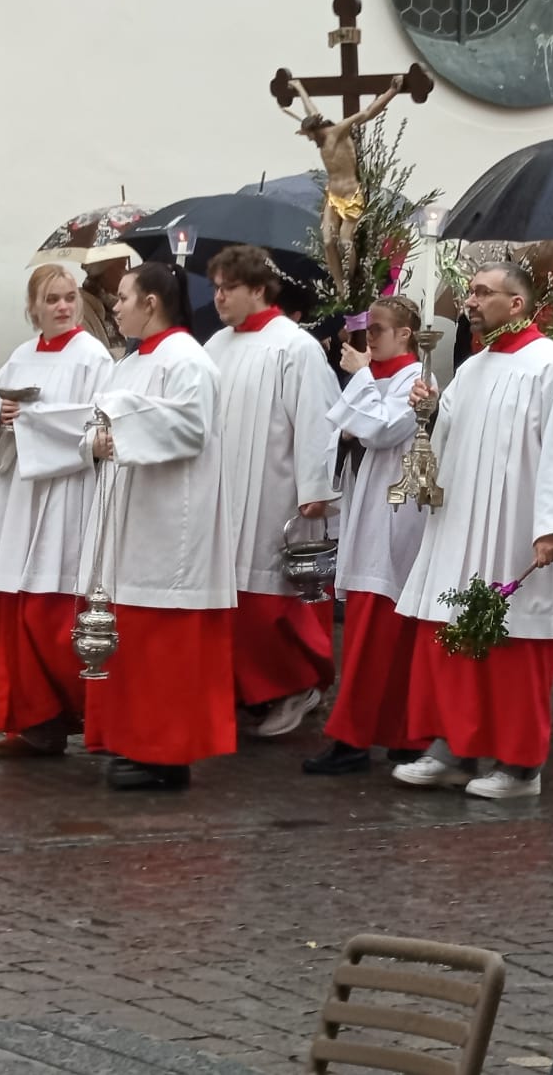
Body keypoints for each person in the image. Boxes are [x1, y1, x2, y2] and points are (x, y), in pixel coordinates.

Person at [20, 257, 236, 790]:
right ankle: (132, 742)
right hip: (130, 520)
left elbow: (191, 429)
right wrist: (94, 436)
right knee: (133, 641)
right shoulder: (132, 361)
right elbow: (100, 421)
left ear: (151, 303)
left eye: (122, 297)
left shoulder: (189, 360)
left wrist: (123, 423)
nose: (114, 307)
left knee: (165, 645)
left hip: (171, 526)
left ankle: (166, 757)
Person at [392, 263, 553, 799]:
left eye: (483, 293)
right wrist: (431, 414)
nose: (471, 301)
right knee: (451, 630)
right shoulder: (473, 368)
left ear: (517, 303)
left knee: (514, 643)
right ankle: (454, 749)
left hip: (517, 527)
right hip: (462, 525)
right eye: (471, 293)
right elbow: (451, 440)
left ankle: (521, 766)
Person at [0, 264, 113, 757]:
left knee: (53, 609)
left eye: (70, 297)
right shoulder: (21, 356)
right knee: (17, 603)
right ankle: (36, 719)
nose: (63, 306)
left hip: (68, 492)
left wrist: (32, 424)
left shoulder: (92, 357)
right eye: (52, 299)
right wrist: (4, 416)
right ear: (33, 307)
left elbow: (99, 423)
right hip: (20, 495)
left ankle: (82, 713)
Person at [203, 245, 340, 738]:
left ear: (259, 289)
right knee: (229, 601)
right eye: (216, 288)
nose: (219, 297)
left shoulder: (295, 347)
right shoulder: (214, 346)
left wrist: (316, 489)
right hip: (222, 490)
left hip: (274, 491)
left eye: (229, 288)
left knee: (272, 602)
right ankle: (247, 691)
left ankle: (297, 686)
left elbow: (318, 420)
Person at [305, 296, 429, 775]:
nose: (368, 338)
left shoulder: (418, 380)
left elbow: (379, 430)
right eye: (367, 329)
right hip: (367, 510)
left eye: (377, 329)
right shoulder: (379, 379)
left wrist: (358, 379)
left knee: (380, 635)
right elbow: (342, 431)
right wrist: (350, 422)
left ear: (405, 334)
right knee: (369, 633)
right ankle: (395, 733)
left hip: (395, 518)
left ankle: (358, 737)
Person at [282, 72, 404, 299]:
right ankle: (340, 287)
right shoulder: (320, 138)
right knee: (329, 240)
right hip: (333, 194)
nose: (309, 140)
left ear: (316, 130)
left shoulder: (337, 132)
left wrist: (392, 91)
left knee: (346, 242)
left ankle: (350, 283)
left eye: (309, 136)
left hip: (350, 194)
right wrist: (299, 88)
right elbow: (311, 110)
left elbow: (367, 113)